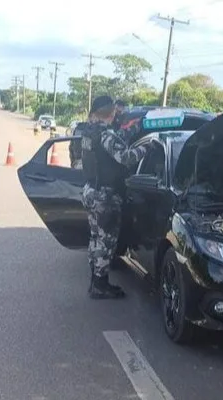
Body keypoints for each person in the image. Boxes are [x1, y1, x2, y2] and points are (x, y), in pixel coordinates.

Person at [81, 95, 147, 299]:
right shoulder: (106, 135)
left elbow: (114, 141)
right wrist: (146, 148)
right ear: (112, 112)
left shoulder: (89, 132)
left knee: (95, 238)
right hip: (105, 197)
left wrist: (132, 130)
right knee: (105, 242)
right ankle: (100, 286)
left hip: (90, 190)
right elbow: (126, 157)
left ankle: (95, 279)